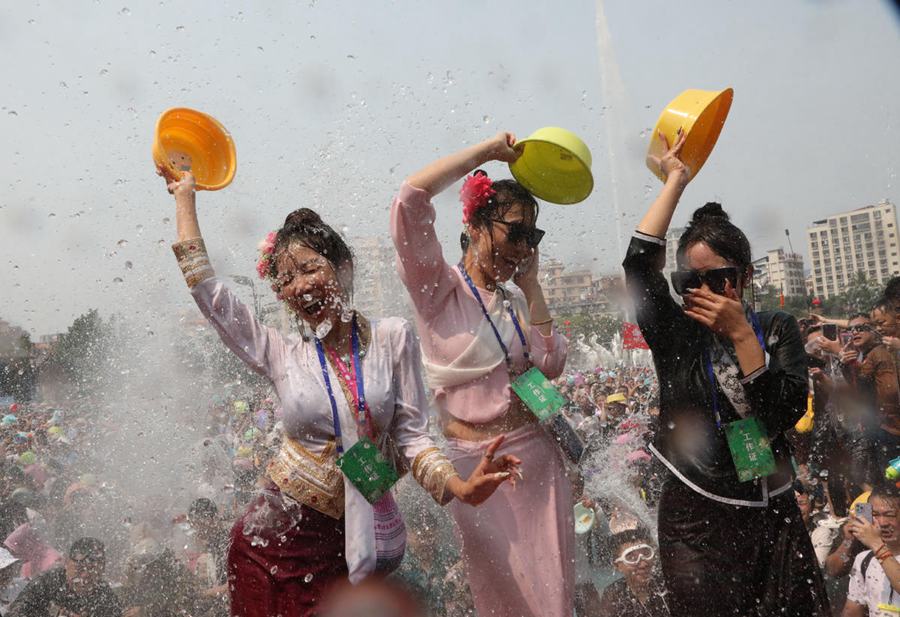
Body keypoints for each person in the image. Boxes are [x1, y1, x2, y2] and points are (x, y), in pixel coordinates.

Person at [161, 169, 519, 617]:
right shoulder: (281, 353)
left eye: (311, 268)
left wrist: (460, 487)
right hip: (270, 545)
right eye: (287, 279)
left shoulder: (392, 337)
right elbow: (208, 293)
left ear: (342, 268)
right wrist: (185, 199)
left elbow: (413, 438)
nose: (302, 286)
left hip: (350, 541)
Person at [622, 129, 830, 615]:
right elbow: (636, 265)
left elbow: (783, 411)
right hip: (696, 517)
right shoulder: (674, 333)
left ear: (744, 277)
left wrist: (742, 337)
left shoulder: (776, 328)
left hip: (773, 510)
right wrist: (676, 180)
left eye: (718, 279)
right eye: (689, 282)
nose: (704, 292)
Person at [391, 132, 572, 617]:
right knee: (500, 602)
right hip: (477, 469)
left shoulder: (514, 304)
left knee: (553, 602)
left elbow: (551, 364)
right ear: (474, 224)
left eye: (532, 237)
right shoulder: (439, 291)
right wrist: (485, 154)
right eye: (515, 231)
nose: (522, 247)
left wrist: (532, 287)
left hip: (537, 462)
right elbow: (410, 200)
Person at [841, 313, 900, 483]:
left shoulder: (879, 353)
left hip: (889, 431)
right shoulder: (864, 355)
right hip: (876, 430)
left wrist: (847, 361)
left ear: (875, 330)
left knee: (887, 486)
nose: (855, 333)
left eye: (861, 328)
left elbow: (890, 393)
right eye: (851, 329)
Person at [8, 537, 121, 617]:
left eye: (92, 570)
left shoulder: (105, 596)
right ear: (66, 563)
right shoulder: (48, 583)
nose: (85, 575)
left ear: (102, 571)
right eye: (79, 569)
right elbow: (15, 612)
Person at [843, 485, 900, 615]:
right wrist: (847, 541)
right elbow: (851, 611)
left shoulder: (876, 548)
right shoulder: (864, 559)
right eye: (874, 515)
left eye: (889, 515)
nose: (882, 522)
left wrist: (876, 544)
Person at [597, 529, 670, 617]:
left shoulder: (667, 585)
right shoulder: (613, 595)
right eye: (631, 557)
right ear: (618, 565)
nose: (643, 564)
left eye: (646, 553)